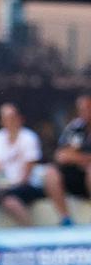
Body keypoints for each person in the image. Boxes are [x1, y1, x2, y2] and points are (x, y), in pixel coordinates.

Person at [0, 103, 43, 228]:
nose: (10, 122)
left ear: (19, 118)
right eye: (6, 118)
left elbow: (28, 172)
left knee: (9, 201)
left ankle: (30, 230)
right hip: (3, 186)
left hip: (25, 185)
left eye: (12, 117)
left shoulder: (29, 138)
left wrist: (12, 186)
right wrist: (2, 184)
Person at [43, 93, 91, 226]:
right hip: (76, 176)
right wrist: (84, 159)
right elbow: (61, 156)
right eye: (81, 109)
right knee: (50, 173)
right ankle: (66, 219)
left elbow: (70, 154)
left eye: (88, 108)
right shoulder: (75, 127)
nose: (85, 112)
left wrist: (76, 156)